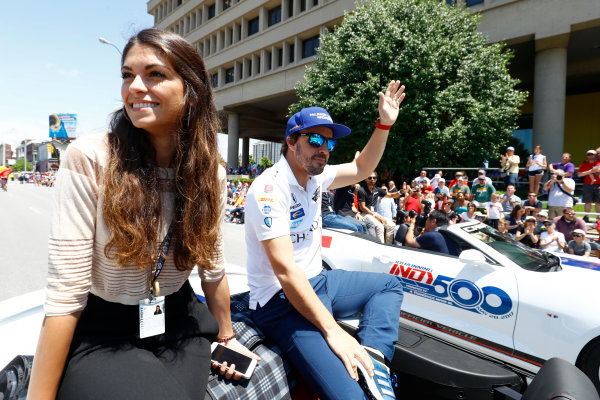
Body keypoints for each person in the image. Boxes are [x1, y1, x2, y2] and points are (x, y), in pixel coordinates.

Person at [28, 29, 258, 400]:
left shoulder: (210, 172)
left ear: (191, 90)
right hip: (105, 330)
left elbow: (212, 268)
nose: (135, 86)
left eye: (155, 74)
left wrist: (227, 336)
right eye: (127, 75)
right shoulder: (90, 158)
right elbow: (65, 297)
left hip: (180, 320)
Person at [245, 82, 406, 400]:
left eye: (329, 143)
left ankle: (373, 358)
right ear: (292, 142)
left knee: (389, 285)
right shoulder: (268, 189)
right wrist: (335, 333)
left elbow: (362, 168)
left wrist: (384, 124)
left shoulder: (317, 176)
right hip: (281, 303)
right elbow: (287, 273)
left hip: (319, 282)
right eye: (315, 139)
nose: (324, 148)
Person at [358, 172, 401, 244]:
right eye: (370, 178)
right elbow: (363, 207)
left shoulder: (377, 189)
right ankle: (380, 247)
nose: (372, 179)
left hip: (374, 213)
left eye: (374, 178)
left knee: (391, 226)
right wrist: (375, 216)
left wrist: (400, 192)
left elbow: (390, 195)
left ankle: (388, 246)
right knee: (380, 227)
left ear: (376, 179)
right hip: (365, 214)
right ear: (366, 179)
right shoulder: (361, 190)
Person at [577, 149, 600, 222]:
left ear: (595, 155)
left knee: (598, 202)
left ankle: (598, 217)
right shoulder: (584, 164)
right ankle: (586, 216)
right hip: (587, 184)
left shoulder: (598, 162)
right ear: (587, 156)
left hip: (598, 184)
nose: (590, 156)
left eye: (592, 154)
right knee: (587, 202)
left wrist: (592, 171)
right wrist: (589, 171)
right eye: (589, 154)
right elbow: (579, 174)